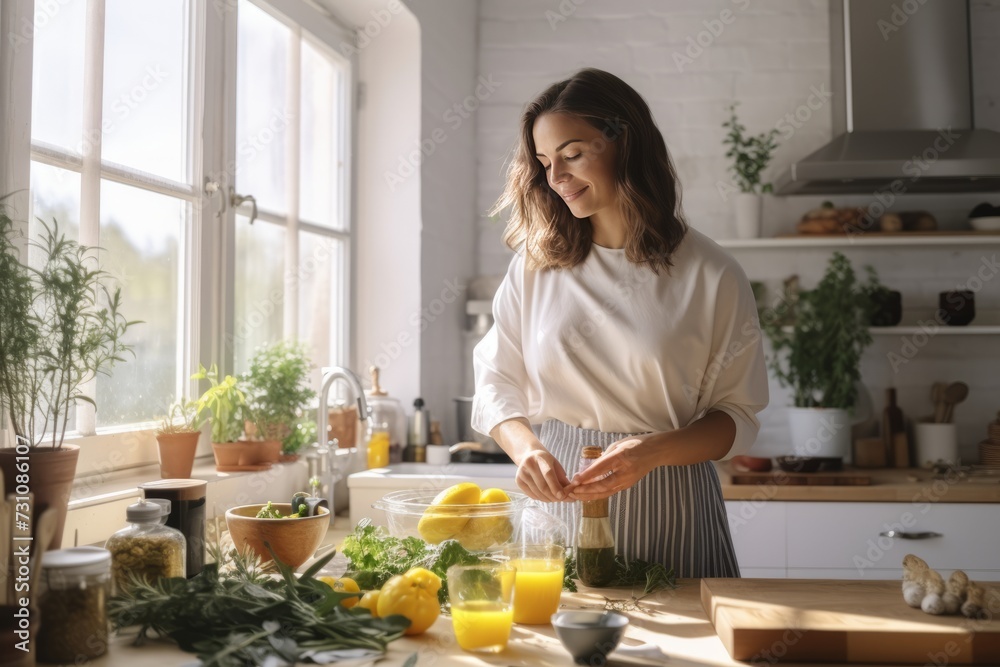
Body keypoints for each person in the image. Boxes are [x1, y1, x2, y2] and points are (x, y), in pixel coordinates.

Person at [471, 68, 769, 578]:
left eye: (572, 153)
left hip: (673, 502)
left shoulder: (712, 274)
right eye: (544, 162)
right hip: (560, 500)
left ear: (625, 142)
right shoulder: (535, 266)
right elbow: (496, 379)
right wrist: (526, 449)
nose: (556, 177)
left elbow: (737, 417)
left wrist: (653, 451)